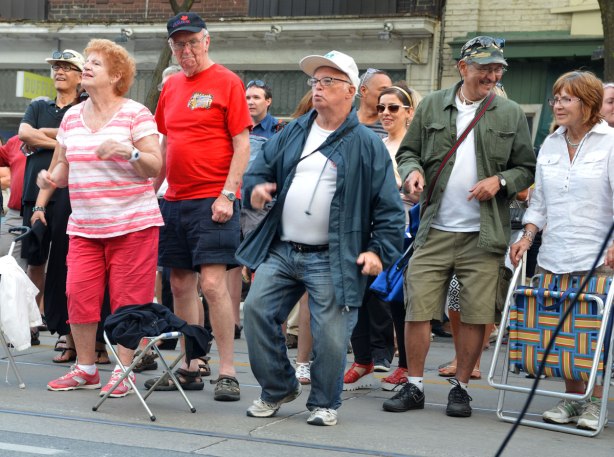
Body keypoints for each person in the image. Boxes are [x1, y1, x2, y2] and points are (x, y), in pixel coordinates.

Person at [237, 49, 405, 426]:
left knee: (330, 336)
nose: (318, 88)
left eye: (328, 81)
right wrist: (257, 188)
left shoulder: (366, 144)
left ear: (351, 91)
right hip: (282, 248)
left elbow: (390, 209)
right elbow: (256, 170)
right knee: (256, 311)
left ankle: (325, 402)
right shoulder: (294, 129)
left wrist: (379, 251)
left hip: (334, 255)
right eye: (315, 81)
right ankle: (279, 386)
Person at [385, 36, 535, 418]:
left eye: (498, 67)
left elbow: (527, 168)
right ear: (463, 67)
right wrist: (412, 172)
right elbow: (408, 152)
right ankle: (414, 385)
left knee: (475, 313)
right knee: (417, 308)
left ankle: (462, 388)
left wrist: (500, 182)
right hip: (434, 228)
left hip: (484, 234)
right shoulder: (434, 104)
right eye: (485, 67)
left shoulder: (510, 112)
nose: (493, 74)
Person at [39, 39, 163, 398]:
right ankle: (86, 368)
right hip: (85, 226)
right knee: (78, 294)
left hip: (133, 225)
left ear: (117, 75)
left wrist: (130, 150)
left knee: (127, 301)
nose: (87, 67)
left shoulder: (136, 113)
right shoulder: (72, 116)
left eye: (96, 63)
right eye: (87, 62)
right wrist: (49, 181)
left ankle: (123, 370)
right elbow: (62, 164)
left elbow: (154, 165)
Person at [149, 12, 252, 401]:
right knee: (178, 283)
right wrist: (151, 189)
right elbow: (165, 144)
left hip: (213, 199)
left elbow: (242, 143)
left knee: (211, 283)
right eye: (179, 44)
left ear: (207, 41)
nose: (186, 49)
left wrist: (228, 193)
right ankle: (192, 363)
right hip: (174, 199)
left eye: (192, 42)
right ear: (171, 47)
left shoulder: (227, 81)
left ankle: (227, 370)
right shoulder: (171, 86)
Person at [510, 70, 614, 431]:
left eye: (566, 99)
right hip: (554, 254)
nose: (557, 105)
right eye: (556, 98)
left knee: (593, 331)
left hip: (597, 256)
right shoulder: (551, 144)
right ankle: (573, 400)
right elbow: (539, 202)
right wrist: (526, 236)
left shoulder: (610, 143)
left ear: (588, 103)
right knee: (563, 330)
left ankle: (594, 402)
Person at [343, 82, 419, 391]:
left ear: (408, 112)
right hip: (367, 228)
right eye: (381, 108)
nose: (385, 113)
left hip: (403, 231)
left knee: (398, 300)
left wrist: (398, 184)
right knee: (358, 293)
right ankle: (363, 360)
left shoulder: (415, 150)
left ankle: (404, 366)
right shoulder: (374, 142)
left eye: (393, 108)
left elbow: (420, 194)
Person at [18, 52, 84, 350]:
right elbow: (23, 133)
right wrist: (61, 140)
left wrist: (41, 135)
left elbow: (79, 140)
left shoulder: (84, 108)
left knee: (65, 263)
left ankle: (62, 325)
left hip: (71, 196)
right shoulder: (38, 105)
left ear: (80, 77)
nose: (59, 71)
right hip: (36, 196)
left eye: (68, 68)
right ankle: (32, 321)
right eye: (56, 67)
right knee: (34, 259)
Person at [0, 135, 27, 271]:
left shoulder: (64, 138)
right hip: (15, 214)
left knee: (43, 270)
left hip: (51, 214)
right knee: (6, 265)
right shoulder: (16, 141)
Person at [356, 68, 392, 137]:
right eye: (384, 90)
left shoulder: (390, 126)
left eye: (391, 91)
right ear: (363, 91)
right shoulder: (343, 122)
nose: (389, 96)